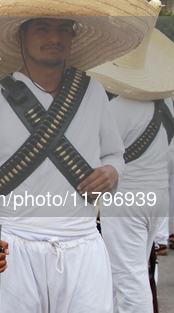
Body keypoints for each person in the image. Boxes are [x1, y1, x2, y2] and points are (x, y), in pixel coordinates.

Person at [0, 0, 161, 312]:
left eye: (64, 29)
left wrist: (113, 170)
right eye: (44, 28)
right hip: (15, 247)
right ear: (21, 36)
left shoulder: (93, 92)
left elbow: (115, 152)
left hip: (83, 245)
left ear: (74, 36)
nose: (55, 38)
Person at [88, 28, 174, 312]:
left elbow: (95, 154)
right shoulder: (168, 106)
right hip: (157, 196)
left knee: (128, 275)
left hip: (127, 198)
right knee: (137, 269)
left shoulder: (121, 108)